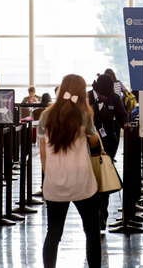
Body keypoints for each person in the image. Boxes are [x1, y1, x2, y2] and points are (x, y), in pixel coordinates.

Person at [38, 74, 101, 268]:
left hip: (55, 183)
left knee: (53, 234)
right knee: (91, 231)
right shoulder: (84, 115)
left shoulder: (46, 115)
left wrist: (49, 177)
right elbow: (94, 141)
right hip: (82, 182)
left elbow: (42, 153)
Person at [88, 74, 128, 231]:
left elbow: (121, 114)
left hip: (108, 141)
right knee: (91, 176)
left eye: (107, 94)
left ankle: (102, 215)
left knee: (104, 176)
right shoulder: (86, 97)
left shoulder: (114, 98)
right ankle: (91, 213)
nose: (105, 97)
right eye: (103, 94)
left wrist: (126, 124)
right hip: (89, 142)